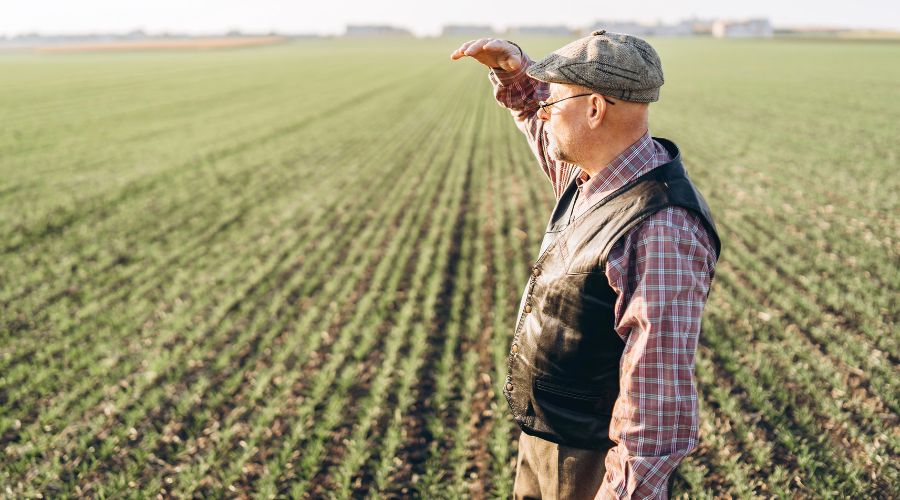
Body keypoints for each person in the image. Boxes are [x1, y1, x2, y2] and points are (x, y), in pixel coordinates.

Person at [450, 31, 722, 499]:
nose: (543, 111)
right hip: (548, 437)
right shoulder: (594, 175)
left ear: (595, 108)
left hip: (588, 465)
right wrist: (515, 72)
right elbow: (542, 126)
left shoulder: (660, 227)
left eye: (553, 100)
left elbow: (655, 404)